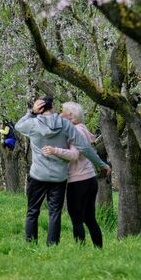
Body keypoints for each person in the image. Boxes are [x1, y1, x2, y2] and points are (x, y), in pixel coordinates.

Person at [15, 96, 110, 246]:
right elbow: (84, 147)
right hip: (58, 177)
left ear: (40, 107)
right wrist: (100, 163)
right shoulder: (65, 124)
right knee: (55, 213)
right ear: (52, 106)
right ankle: (52, 245)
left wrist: (31, 112)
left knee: (33, 211)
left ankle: (31, 245)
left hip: (38, 174)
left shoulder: (32, 124)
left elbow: (18, 126)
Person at [42, 102, 103, 248]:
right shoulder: (82, 129)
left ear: (70, 115)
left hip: (79, 180)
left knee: (77, 218)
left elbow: (75, 155)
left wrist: (54, 150)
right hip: (89, 179)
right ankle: (98, 250)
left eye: (62, 111)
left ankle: (80, 251)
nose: (60, 113)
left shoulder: (77, 131)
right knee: (89, 218)